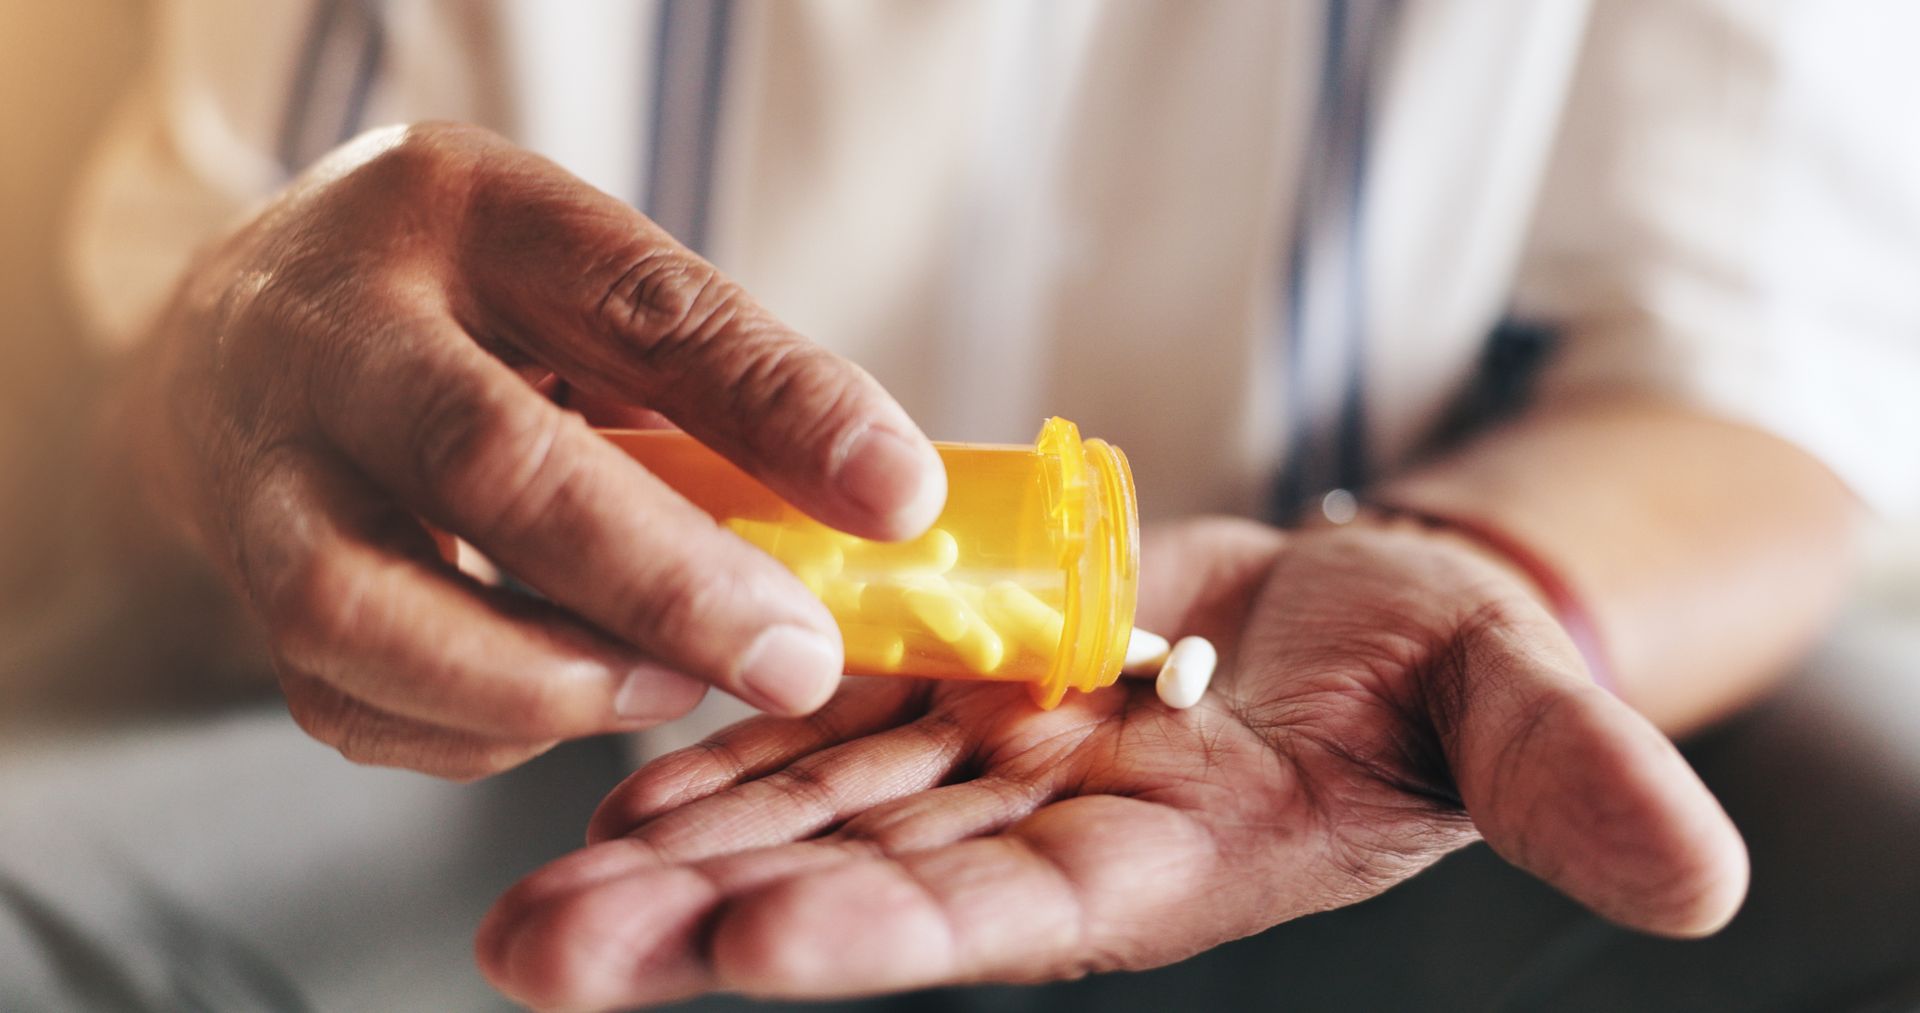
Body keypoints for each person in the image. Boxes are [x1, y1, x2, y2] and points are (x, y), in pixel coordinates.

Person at [37, 0, 1919, 1009]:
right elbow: (203, 349)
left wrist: (1463, 584)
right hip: (538, 739)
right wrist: (236, 385)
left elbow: (1759, 388)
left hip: (1338, 737)